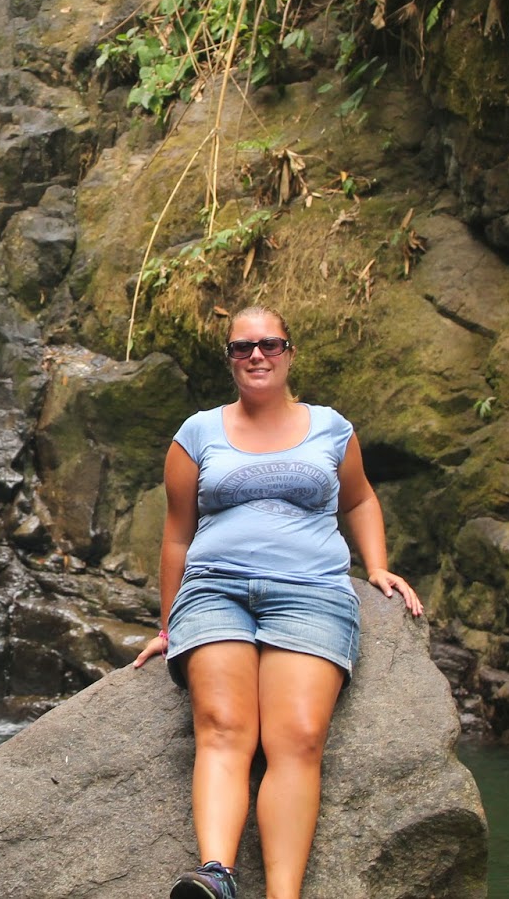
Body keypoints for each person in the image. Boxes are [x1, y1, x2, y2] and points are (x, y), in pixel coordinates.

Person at [131, 305, 423, 899]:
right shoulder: (197, 434)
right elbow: (177, 535)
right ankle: (217, 876)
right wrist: (167, 626)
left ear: (290, 353)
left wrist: (376, 566)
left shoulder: (331, 428)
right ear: (230, 360)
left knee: (297, 737)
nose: (257, 355)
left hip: (310, 590)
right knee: (223, 726)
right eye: (242, 347)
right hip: (215, 590)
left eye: (269, 344)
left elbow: (359, 500)